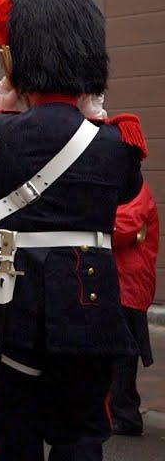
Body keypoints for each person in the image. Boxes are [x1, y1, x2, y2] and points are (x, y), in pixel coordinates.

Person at [0, 0, 144, 460]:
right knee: (80, 437)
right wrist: (94, 117)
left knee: (16, 439)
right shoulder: (115, 142)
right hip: (89, 306)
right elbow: (129, 190)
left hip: (14, 307)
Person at [110, 181, 158, 437]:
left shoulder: (134, 187)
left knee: (122, 355)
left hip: (127, 283)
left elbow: (122, 227)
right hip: (118, 282)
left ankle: (125, 416)